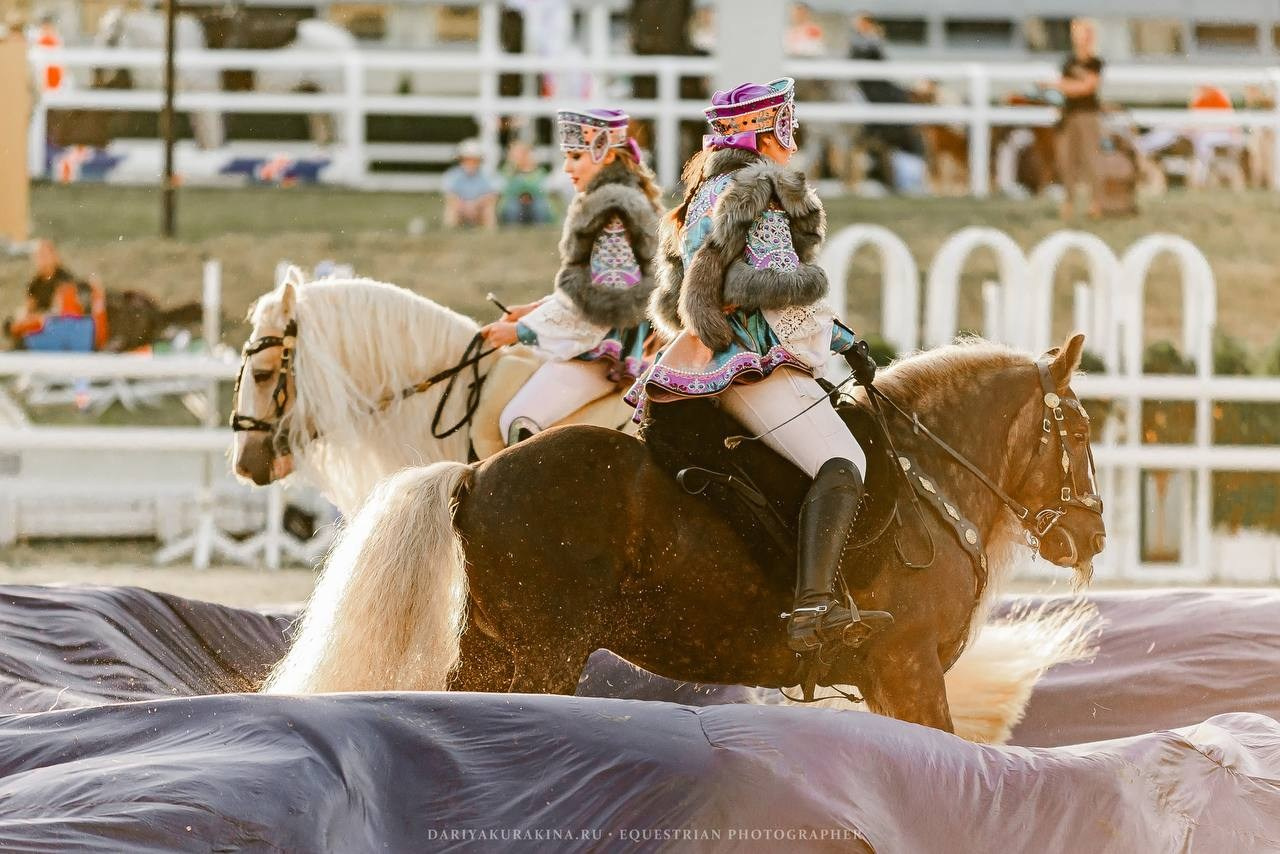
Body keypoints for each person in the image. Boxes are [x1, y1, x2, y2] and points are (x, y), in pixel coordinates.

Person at [627, 78, 893, 654]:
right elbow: (776, 288)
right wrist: (845, 339)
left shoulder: (705, 189)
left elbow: (685, 286)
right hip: (750, 353)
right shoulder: (761, 187)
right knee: (844, 459)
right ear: (763, 130)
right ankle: (812, 608)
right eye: (785, 120)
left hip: (702, 350)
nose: (792, 132)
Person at [479, 109, 661, 446]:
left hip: (603, 352)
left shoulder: (612, 213)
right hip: (598, 340)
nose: (567, 168)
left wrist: (521, 331)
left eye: (575, 156)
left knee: (518, 421)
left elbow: (603, 306)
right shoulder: (611, 203)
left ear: (605, 154)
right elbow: (591, 290)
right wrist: (535, 309)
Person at [1045, 18, 1104, 219]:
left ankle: (1095, 203)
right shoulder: (1068, 62)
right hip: (1068, 115)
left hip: (1087, 115)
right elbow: (1068, 88)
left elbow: (1086, 87)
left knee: (1091, 158)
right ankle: (1068, 202)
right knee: (1066, 159)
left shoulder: (1094, 63)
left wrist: (1059, 86)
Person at [6, 239, 106, 350]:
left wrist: (37, 318)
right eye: (39, 256)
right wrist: (22, 317)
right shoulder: (35, 283)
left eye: (45, 255)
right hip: (42, 324)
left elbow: (60, 312)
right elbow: (29, 306)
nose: (42, 259)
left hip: (60, 327)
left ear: (54, 257)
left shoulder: (64, 279)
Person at [441, 139, 498, 229]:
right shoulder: (452, 175)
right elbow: (450, 196)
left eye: (474, 160)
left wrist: (475, 205)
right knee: (451, 210)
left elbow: (492, 196)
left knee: (489, 209)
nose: (470, 163)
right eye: (467, 159)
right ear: (461, 160)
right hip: (461, 209)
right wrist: (464, 206)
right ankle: (450, 231)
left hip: (479, 209)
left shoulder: (487, 175)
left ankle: (489, 233)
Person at [497, 140, 555, 225]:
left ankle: (542, 233)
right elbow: (508, 191)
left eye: (519, 154)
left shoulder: (539, 171)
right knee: (512, 208)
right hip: (514, 203)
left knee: (540, 207)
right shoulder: (508, 171)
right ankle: (512, 234)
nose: (516, 157)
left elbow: (541, 191)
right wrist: (513, 170)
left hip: (535, 202)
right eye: (514, 154)